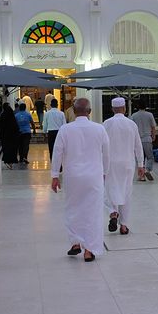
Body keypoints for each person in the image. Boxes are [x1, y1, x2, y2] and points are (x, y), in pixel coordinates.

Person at [50, 98, 110, 262]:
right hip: (94, 176)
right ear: (89, 112)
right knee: (93, 211)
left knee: (73, 209)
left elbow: (57, 153)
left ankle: (76, 241)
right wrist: (105, 172)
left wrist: (55, 175)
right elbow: (106, 154)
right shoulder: (99, 129)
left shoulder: (65, 129)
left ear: (74, 111)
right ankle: (89, 250)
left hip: (73, 176)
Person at [103, 97, 145, 235]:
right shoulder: (131, 124)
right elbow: (138, 146)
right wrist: (141, 164)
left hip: (110, 164)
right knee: (126, 192)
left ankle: (113, 212)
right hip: (127, 163)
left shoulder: (106, 124)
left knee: (110, 189)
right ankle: (124, 225)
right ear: (124, 108)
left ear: (112, 109)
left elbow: (101, 146)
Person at [130, 99, 156, 181]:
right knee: (150, 157)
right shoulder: (150, 115)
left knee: (140, 159)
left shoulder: (133, 116)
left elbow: (130, 128)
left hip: (137, 140)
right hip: (147, 138)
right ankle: (148, 170)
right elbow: (153, 127)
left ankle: (141, 176)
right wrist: (153, 136)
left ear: (137, 107)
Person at [0, 103, 19, 169]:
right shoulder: (12, 117)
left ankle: (7, 161)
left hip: (4, 136)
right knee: (12, 149)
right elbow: (16, 127)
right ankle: (11, 162)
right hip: (13, 136)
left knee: (6, 149)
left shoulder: (2, 116)